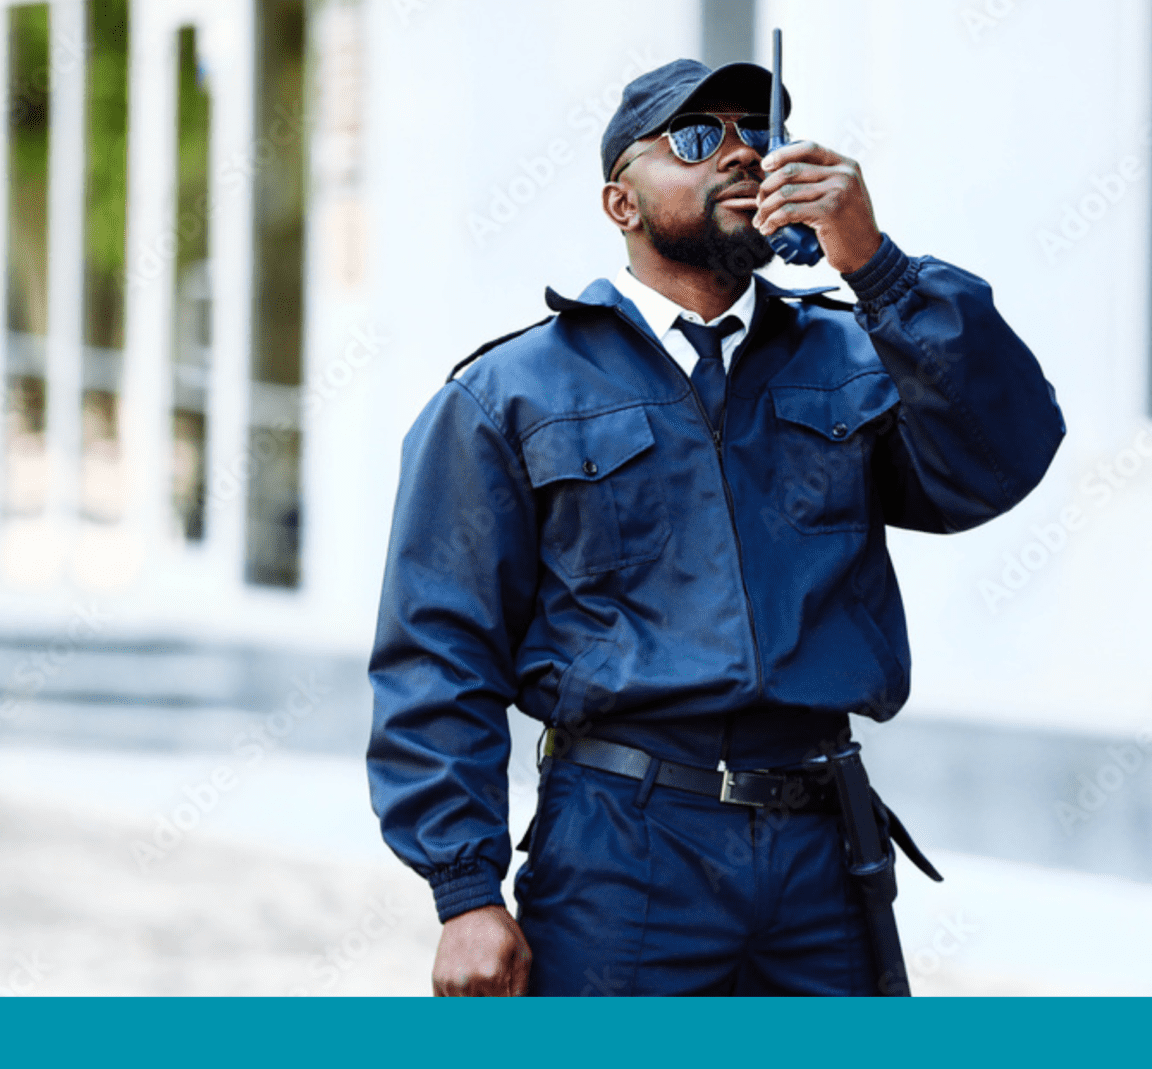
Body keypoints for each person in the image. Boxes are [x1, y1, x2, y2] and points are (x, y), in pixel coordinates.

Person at [366, 56, 1066, 996]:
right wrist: (464, 891)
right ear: (621, 203)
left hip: (821, 843)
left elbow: (996, 462)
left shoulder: (854, 352)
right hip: (622, 844)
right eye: (697, 138)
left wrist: (879, 266)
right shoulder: (509, 395)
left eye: (758, 131)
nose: (740, 153)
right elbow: (437, 652)